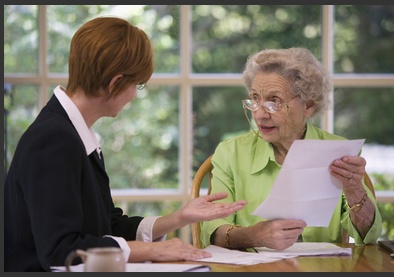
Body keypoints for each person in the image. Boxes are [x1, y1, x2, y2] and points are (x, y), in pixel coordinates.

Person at [4, 16, 247, 272]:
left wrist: (178, 218)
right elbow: (60, 251)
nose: (134, 94)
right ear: (115, 82)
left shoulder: (73, 132)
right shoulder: (54, 140)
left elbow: (109, 226)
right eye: (137, 84)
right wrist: (153, 250)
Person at [200, 47, 382, 251]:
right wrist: (253, 236)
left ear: (309, 105)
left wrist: (355, 190)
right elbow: (212, 230)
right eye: (255, 99)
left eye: (274, 102)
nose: (259, 115)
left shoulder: (338, 152)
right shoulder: (230, 154)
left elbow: (369, 237)